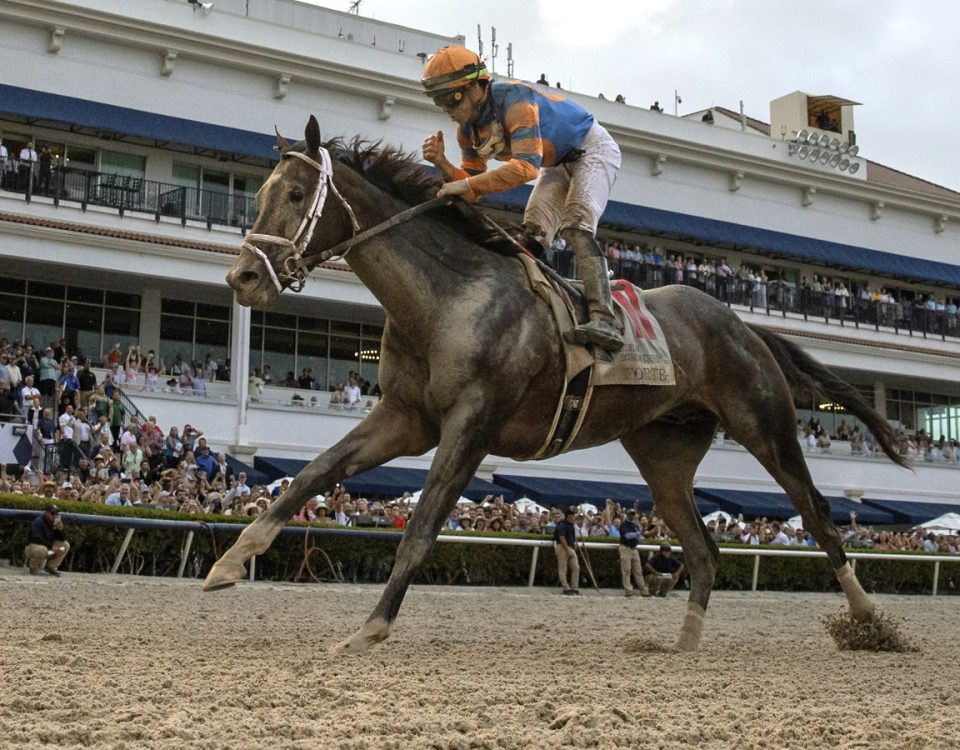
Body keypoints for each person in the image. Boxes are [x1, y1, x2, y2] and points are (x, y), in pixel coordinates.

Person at [420, 45, 624, 352]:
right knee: (532, 235)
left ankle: (604, 318)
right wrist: (444, 165)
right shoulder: (467, 132)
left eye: (452, 97)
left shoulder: (514, 100)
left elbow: (526, 168)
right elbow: (471, 189)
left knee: (576, 226)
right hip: (555, 164)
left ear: (477, 86)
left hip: (591, 149)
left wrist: (461, 186)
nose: (446, 108)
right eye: (439, 100)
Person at [24, 503, 69, 576]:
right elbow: (36, 538)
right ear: (46, 513)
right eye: (52, 513)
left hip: (48, 550)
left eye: (56, 514)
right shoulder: (38, 521)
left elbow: (62, 539)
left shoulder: (55, 523)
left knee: (65, 546)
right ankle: (34, 567)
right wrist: (51, 547)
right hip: (32, 548)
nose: (54, 515)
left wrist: (61, 530)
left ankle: (51, 566)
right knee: (42, 549)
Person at [618, 509, 650, 597]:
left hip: (634, 549)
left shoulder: (635, 525)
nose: (631, 516)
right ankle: (628, 591)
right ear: (627, 515)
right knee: (626, 570)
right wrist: (637, 534)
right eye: (630, 514)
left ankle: (644, 590)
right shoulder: (623, 525)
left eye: (633, 514)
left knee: (638, 570)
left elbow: (639, 537)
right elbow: (627, 536)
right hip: (625, 548)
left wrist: (643, 538)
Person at [552, 507, 580, 595]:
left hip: (570, 547)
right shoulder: (562, 524)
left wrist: (573, 546)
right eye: (572, 516)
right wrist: (567, 548)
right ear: (568, 516)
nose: (573, 517)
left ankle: (574, 587)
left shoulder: (571, 525)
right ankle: (566, 587)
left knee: (576, 567)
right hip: (562, 547)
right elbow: (561, 537)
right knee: (563, 568)